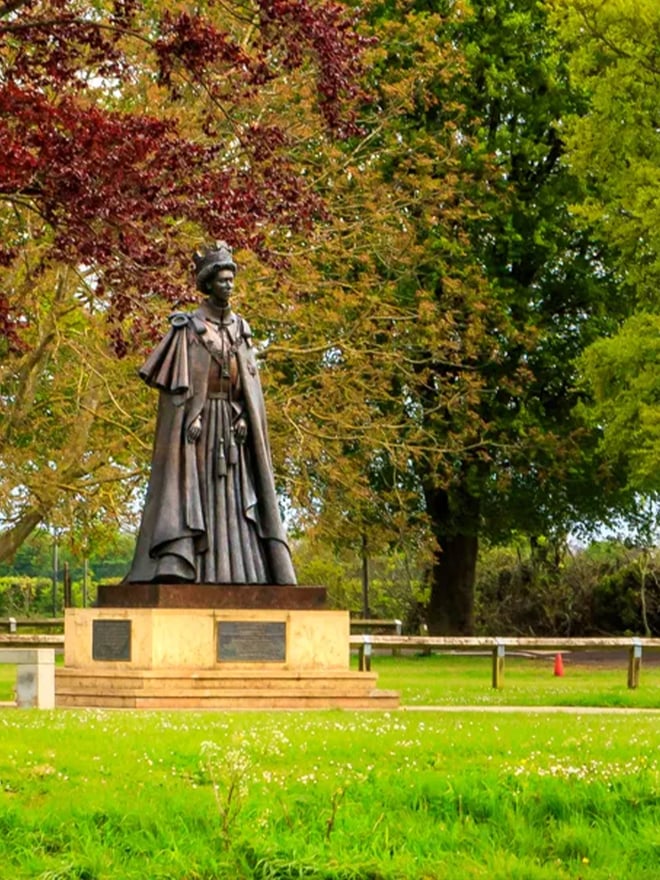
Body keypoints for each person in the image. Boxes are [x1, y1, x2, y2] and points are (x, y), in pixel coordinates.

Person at [125, 242, 297, 585]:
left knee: (235, 497)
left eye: (232, 279)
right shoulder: (188, 328)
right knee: (199, 494)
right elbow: (180, 388)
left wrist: (243, 415)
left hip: (234, 429)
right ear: (208, 284)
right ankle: (190, 566)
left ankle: (243, 572)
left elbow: (245, 386)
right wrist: (194, 415)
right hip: (198, 431)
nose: (229, 285)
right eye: (222, 279)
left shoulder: (241, 330)